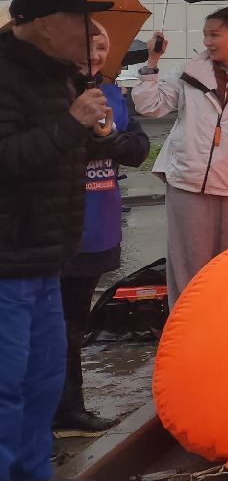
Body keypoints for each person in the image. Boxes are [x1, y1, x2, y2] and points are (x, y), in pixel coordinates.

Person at [0, 0, 113, 481]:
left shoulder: (58, 73)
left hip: (46, 252)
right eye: (81, 20)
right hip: (7, 254)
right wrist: (71, 122)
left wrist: (90, 132)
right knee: (3, 377)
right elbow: (7, 158)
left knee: (43, 372)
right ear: (46, 23)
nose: (91, 33)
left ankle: (29, 471)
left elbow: (56, 150)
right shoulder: (3, 72)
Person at [133, 8, 228, 305]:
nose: (208, 42)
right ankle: (184, 329)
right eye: (205, 35)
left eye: (215, 34)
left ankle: (222, 328)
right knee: (188, 266)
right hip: (188, 182)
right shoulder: (190, 73)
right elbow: (151, 107)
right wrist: (152, 62)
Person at [59, 22, 150, 437]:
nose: (97, 54)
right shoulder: (53, 92)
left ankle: (69, 409)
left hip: (101, 223)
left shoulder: (112, 92)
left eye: (103, 46)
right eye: (88, 45)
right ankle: (60, 410)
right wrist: (81, 126)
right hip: (57, 229)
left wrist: (111, 136)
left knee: (74, 323)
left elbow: (138, 149)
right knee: (55, 327)